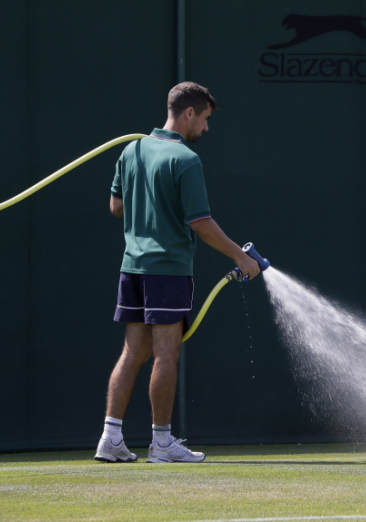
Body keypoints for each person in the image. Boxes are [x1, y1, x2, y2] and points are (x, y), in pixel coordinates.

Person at [94, 82, 261, 463]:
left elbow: (116, 208)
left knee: (132, 351)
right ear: (188, 113)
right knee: (165, 354)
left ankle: (110, 438)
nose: (206, 128)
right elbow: (200, 223)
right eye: (204, 119)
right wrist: (240, 257)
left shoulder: (131, 150)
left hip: (131, 267)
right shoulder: (186, 159)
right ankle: (162, 443)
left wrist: (147, 201)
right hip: (168, 270)